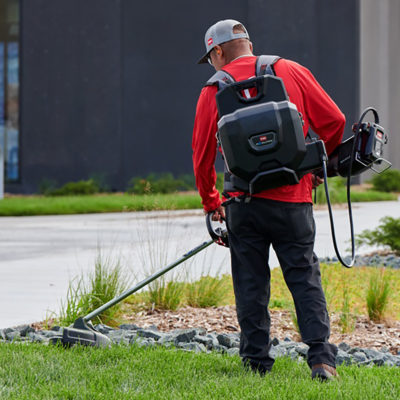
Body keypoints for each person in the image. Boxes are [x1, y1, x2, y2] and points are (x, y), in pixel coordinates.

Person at [192, 19, 345, 380]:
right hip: (294, 198)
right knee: (304, 276)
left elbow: (201, 156)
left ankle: (256, 363)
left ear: (217, 51)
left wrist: (212, 203)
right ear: (247, 43)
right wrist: (320, 165)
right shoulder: (290, 69)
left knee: (250, 281)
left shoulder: (212, 89)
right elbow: (335, 120)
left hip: (242, 203)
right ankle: (322, 359)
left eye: (210, 56)